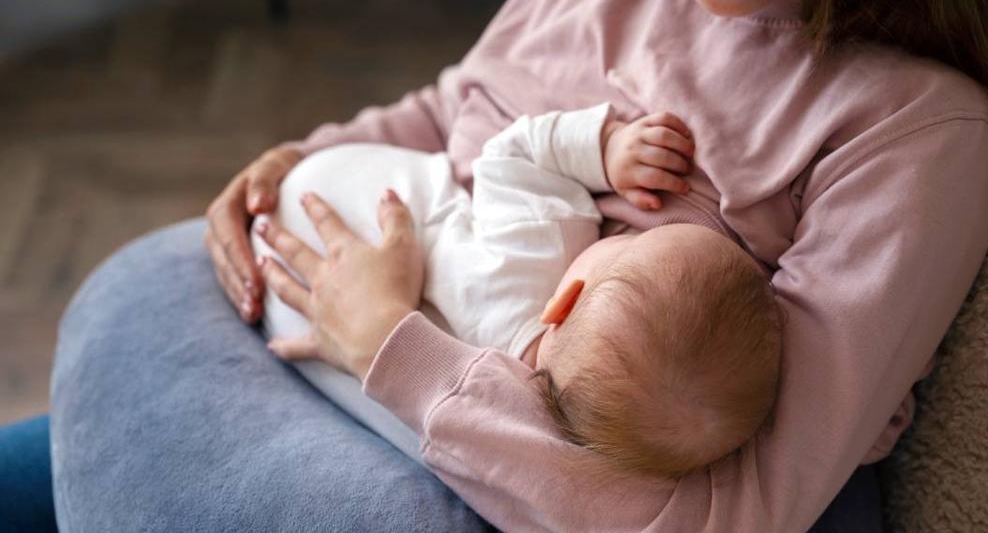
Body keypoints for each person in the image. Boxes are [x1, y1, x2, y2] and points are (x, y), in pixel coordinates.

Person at [1, 0, 988, 530]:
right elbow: (455, 112)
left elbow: (740, 510)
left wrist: (387, 342)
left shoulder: (914, 131)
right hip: (336, 358)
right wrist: (302, 163)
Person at [256, 103, 782, 477]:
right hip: (304, 315)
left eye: (631, 244)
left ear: (565, 298)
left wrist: (604, 149)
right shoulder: (504, 407)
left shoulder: (541, 248)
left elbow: (510, 155)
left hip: (327, 197)